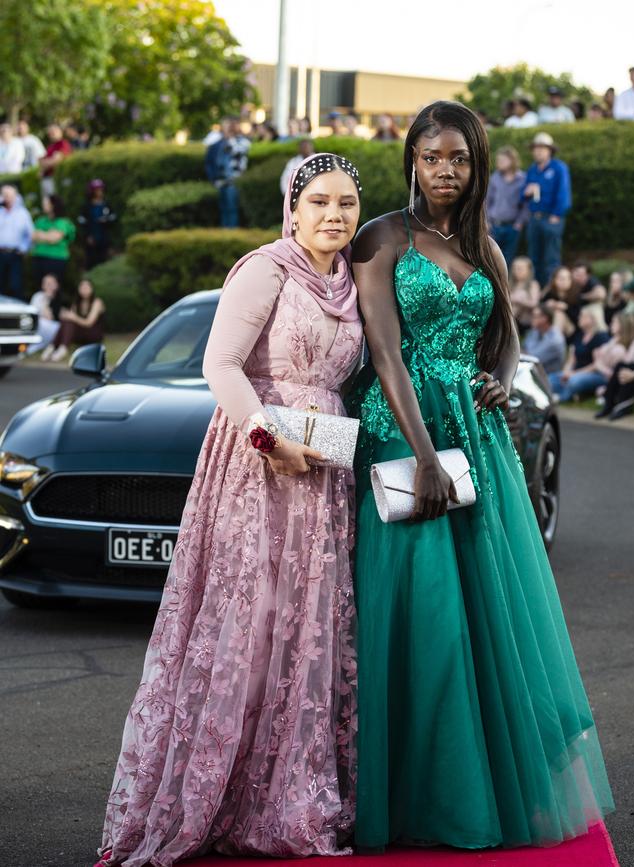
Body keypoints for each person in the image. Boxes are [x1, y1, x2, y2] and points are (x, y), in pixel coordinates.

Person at [346, 100, 613, 852]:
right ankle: (412, 793)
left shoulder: (487, 249)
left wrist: (496, 378)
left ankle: (479, 786)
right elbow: (385, 353)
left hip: (479, 436)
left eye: (458, 159)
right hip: (405, 431)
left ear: (477, 164)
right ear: (411, 159)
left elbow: (506, 342)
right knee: (422, 608)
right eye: (431, 157)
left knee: (485, 611)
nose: (444, 171)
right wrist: (424, 455)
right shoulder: (383, 237)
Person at [94, 153, 363, 866]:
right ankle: (216, 792)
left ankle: (288, 792)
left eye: (347, 205)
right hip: (259, 464)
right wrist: (269, 438)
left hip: (323, 469)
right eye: (320, 202)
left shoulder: (347, 282)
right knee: (251, 620)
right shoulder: (265, 269)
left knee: (305, 629)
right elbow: (220, 364)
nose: (335, 215)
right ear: (293, 208)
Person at [522, 131, 572, 286]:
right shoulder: (532, 169)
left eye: (542, 148)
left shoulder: (559, 168)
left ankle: (551, 292)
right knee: (534, 257)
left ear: (550, 150)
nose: (538, 151)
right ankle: (535, 292)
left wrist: (556, 215)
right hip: (534, 218)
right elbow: (523, 196)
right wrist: (527, 192)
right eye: (536, 148)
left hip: (551, 218)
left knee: (551, 258)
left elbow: (563, 193)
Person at [548, 304, 612, 401]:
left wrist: (574, 374)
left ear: (593, 319)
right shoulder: (579, 335)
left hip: (595, 374)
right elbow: (572, 359)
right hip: (575, 372)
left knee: (574, 381)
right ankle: (577, 394)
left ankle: (562, 397)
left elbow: (596, 365)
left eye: (583, 316)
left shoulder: (600, 337)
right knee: (551, 379)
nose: (579, 317)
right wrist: (566, 372)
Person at [596, 310, 634, 420]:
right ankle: (609, 402)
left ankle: (623, 405)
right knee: (622, 365)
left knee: (628, 369)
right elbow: (629, 360)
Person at [42, 278, 105, 362]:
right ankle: (56, 347)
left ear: (92, 289)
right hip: (80, 334)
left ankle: (58, 347)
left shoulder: (97, 302)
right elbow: (71, 317)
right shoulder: (77, 303)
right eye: (82, 287)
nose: (84, 290)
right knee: (66, 321)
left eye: (87, 287)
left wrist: (73, 317)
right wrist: (65, 315)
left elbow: (89, 323)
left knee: (70, 320)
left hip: (93, 334)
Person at [485, 145, 528, 268]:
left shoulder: (522, 179)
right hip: (495, 226)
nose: (499, 163)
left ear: (512, 160)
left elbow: (526, 205)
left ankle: (505, 286)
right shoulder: (495, 178)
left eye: (502, 160)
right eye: (498, 160)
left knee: (508, 260)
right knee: (492, 259)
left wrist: (519, 223)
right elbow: (487, 202)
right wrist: (486, 221)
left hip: (512, 227)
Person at [205, 118, 251, 228]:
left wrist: (230, 139)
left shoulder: (241, 141)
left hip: (233, 181)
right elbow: (213, 161)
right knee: (223, 208)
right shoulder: (220, 143)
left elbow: (239, 152)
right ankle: (225, 232)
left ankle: (232, 232)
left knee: (231, 208)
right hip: (221, 181)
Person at [31, 194, 76, 288]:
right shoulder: (41, 220)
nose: (43, 205)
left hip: (56, 259)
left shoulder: (63, 222)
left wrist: (42, 234)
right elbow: (33, 236)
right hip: (39, 258)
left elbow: (54, 238)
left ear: (53, 205)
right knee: (40, 287)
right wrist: (48, 235)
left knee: (54, 287)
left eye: (46, 203)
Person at [0, 184, 34, 299]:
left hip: (15, 254)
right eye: (4, 195)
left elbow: (29, 234)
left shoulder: (22, 213)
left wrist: (24, 248)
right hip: (1, 253)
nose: (6, 198)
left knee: (16, 285)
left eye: (8, 195)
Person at [77, 179, 117, 269]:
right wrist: (88, 235)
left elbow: (113, 218)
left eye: (101, 189)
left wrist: (106, 221)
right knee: (91, 262)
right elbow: (82, 222)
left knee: (104, 261)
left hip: (104, 238)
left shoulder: (106, 204)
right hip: (91, 239)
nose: (100, 192)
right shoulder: (87, 206)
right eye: (97, 190)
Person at [523, 304, 567, 373]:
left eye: (535, 316)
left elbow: (532, 358)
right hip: (535, 373)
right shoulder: (535, 331)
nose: (532, 319)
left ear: (544, 318)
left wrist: (525, 353)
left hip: (549, 378)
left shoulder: (555, 340)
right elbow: (524, 349)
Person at [541, 265, 581, 339]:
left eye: (567, 278)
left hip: (572, 331)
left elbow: (579, 319)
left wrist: (566, 308)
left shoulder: (576, 294)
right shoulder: (550, 293)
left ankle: (552, 343)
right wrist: (546, 305)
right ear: (554, 280)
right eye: (561, 279)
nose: (564, 281)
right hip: (550, 327)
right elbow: (539, 307)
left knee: (559, 313)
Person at [27, 273, 61, 354]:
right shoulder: (38, 296)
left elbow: (50, 318)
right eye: (46, 283)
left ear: (57, 285)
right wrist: (45, 299)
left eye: (51, 283)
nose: (48, 285)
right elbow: (33, 316)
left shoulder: (59, 299)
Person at [508, 255, 541, 332]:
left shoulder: (533, 284)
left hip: (526, 320)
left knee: (521, 294)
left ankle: (507, 323)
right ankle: (508, 322)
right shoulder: (509, 284)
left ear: (529, 270)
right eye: (514, 268)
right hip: (514, 317)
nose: (516, 271)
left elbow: (534, 303)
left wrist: (518, 300)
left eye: (520, 269)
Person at [39, 124, 73, 195]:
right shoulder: (50, 146)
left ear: (60, 132)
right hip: (47, 179)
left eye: (53, 131)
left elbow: (55, 161)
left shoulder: (63, 144)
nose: (51, 134)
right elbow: (41, 163)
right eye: (50, 132)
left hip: (56, 178)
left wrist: (45, 163)